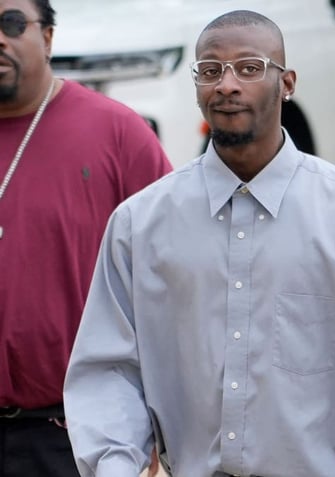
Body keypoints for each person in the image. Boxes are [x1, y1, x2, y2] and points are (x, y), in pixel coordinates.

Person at [62, 9, 335, 477]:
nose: (226, 84)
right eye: (209, 70)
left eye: (249, 68)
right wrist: (117, 466)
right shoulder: (140, 225)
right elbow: (108, 368)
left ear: (287, 82)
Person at [0, 0, 172, 475]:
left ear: (49, 38)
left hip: (72, 434)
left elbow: (172, 279)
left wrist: (159, 415)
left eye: (11, 23)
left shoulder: (116, 132)